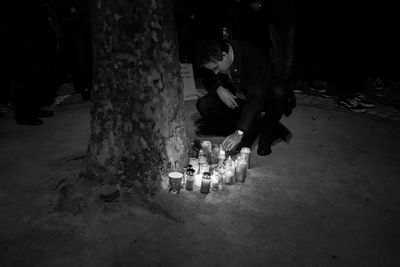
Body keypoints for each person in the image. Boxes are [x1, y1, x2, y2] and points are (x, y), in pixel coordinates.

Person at [195, 39, 296, 156]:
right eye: (212, 69)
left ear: (224, 55)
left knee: (280, 92)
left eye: (216, 68)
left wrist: (239, 132)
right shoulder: (214, 57)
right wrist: (218, 88)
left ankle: (266, 134)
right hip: (238, 97)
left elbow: (255, 98)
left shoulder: (253, 58)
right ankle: (250, 124)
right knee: (205, 105)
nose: (216, 72)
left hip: (263, 97)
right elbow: (207, 78)